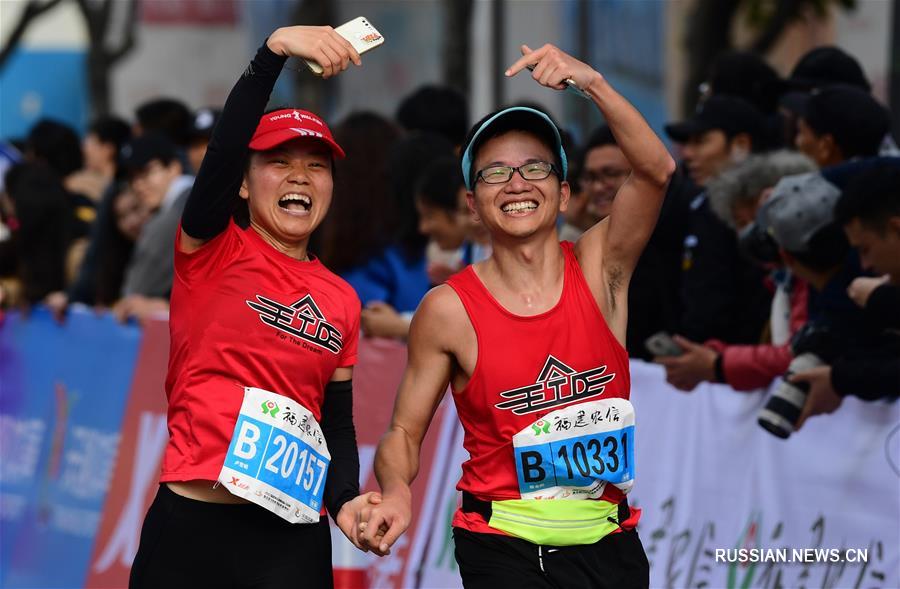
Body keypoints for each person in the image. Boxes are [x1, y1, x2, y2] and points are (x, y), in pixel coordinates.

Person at [363, 43, 675, 588]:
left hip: (609, 540)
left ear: (563, 193)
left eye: (535, 168)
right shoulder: (448, 309)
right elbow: (404, 432)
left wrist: (591, 83)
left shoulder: (603, 268)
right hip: (502, 545)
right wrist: (394, 492)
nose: (517, 184)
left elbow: (655, 170)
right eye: (494, 174)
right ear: (472, 203)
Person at [129, 25, 381, 589]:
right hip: (193, 529)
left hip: (291, 541)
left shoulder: (341, 298)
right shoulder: (210, 247)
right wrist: (274, 51)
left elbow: (335, 426)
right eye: (277, 161)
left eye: (316, 165)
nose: (298, 175)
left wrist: (344, 503)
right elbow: (222, 151)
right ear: (242, 185)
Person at [793, 162, 900, 426]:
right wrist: (839, 378)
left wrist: (881, 300)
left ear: (897, 229)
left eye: (865, 249)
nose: (865, 266)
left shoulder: (881, 295)